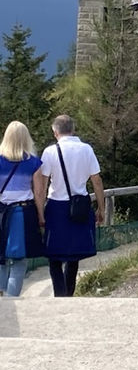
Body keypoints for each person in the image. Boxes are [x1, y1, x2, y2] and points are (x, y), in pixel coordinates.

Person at [39, 115, 105, 297]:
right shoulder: (86, 149)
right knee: (74, 255)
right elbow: (97, 181)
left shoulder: (50, 152)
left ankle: (60, 294)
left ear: (55, 131)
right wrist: (101, 208)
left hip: (56, 206)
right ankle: (69, 294)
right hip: (80, 206)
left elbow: (42, 185)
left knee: (54, 255)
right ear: (73, 129)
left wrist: (40, 211)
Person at [0, 121, 45, 297]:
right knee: (18, 260)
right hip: (22, 212)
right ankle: (12, 301)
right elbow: (39, 192)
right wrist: (41, 216)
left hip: (1, 211)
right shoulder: (34, 163)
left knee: (1, 258)